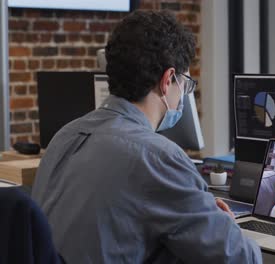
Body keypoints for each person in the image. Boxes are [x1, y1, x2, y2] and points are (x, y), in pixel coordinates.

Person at [32, 10, 261, 264]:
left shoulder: (64, 136)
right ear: (167, 81)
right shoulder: (158, 157)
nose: (183, 93)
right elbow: (241, 258)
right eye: (184, 83)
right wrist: (225, 226)